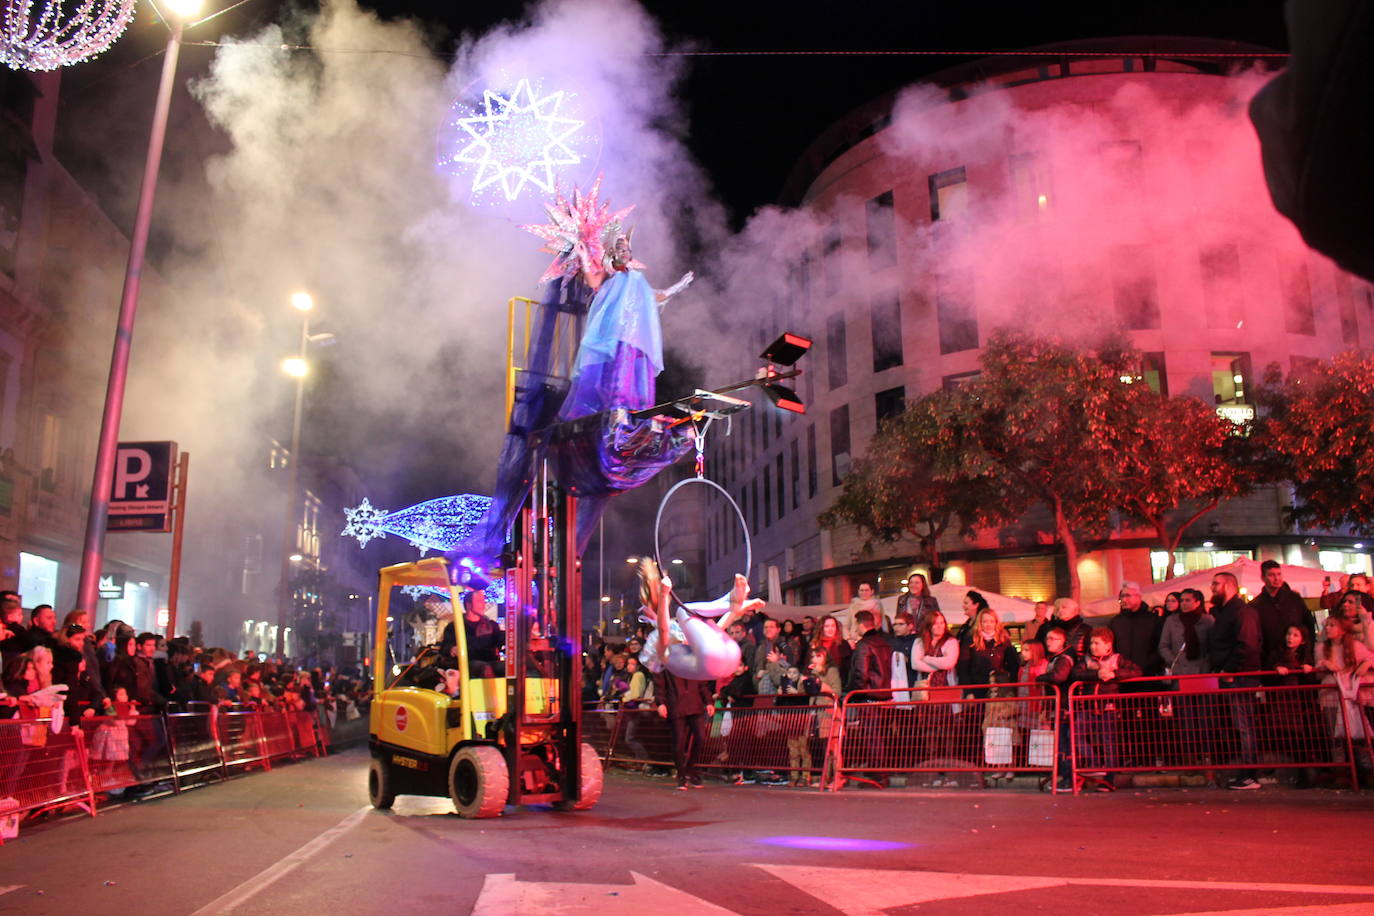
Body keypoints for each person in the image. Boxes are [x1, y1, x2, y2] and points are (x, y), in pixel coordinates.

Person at [1209, 572, 1263, 790]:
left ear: (1229, 586)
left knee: (1244, 726)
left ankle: (1250, 774)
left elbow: (1247, 644)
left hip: (1240, 677)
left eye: (1216, 584)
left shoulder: (1242, 612)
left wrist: (1230, 669)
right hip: (1231, 675)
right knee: (1239, 725)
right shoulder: (1227, 612)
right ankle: (1246, 772)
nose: (1212, 588)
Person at [1071, 627, 1143, 790]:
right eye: (1091, 643)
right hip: (1088, 705)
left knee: (1109, 743)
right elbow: (1076, 674)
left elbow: (1136, 671)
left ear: (1108, 644)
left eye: (1097, 643)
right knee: (1077, 734)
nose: (1093, 646)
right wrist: (1096, 674)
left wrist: (1114, 674)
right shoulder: (1086, 660)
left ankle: (1110, 779)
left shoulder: (1117, 659)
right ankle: (1095, 763)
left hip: (1108, 706)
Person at [843, 610, 892, 785]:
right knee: (880, 736)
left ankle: (877, 776)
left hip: (869, 695)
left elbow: (860, 673)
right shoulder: (884, 642)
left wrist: (854, 693)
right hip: (885, 695)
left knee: (872, 736)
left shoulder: (864, 645)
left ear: (860, 624)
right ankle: (880, 772)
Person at [1250, 559, 1318, 673]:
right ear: (1263, 577)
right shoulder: (1256, 605)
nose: (1276, 578)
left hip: (1298, 659)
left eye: (1279, 574)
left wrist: (1308, 654)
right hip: (1271, 662)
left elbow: (1309, 625)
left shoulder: (1294, 599)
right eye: (1271, 575)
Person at [654, 664, 714, 790]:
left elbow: (702, 684)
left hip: (694, 703)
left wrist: (708, 701)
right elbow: (660, 685)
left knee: (700, 737)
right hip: (676, 704)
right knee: (679, 742)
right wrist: (661, 703)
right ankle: (682, 775)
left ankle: (689, 769)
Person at [1110, 582, 1164, 677]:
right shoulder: (1115, 622)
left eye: (1127, 596)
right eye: (1121, 596)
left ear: (1138, 596)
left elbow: (1161, 645)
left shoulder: (1153, 620)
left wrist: (1149, 664)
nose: (1123, 600)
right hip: (1122, 674)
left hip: (1147, 674)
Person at [810, 615, 851, 685]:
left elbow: (848, 667)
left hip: (839, 683)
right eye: (827, 626)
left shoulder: (843, 644)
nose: (830, 629)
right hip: (819, 683)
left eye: (833, 626)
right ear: (821, 628)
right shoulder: (815, 644)